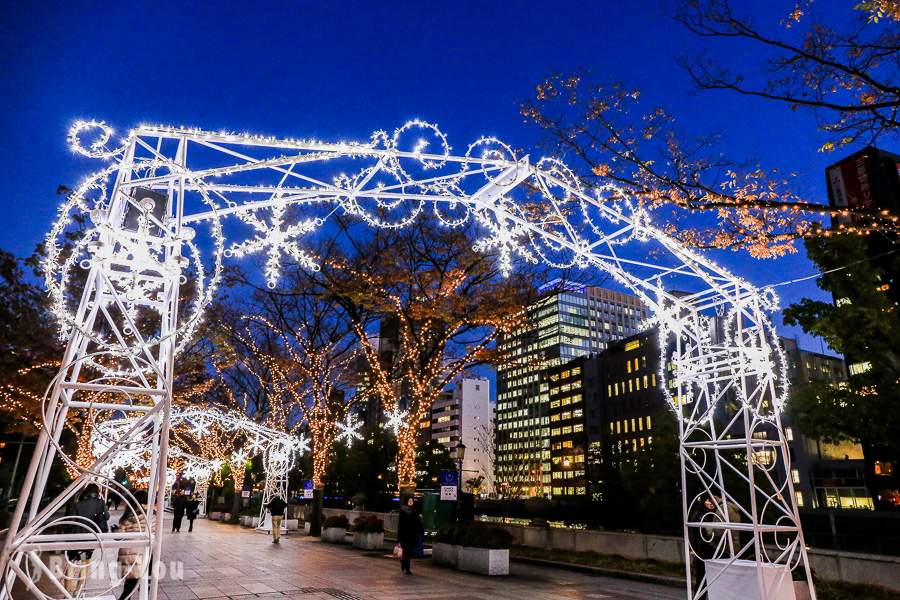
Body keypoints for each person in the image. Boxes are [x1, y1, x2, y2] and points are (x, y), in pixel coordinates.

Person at [64, 483, 110, 595]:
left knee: (72, 563)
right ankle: (77, 591)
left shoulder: (77, 503)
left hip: (75, 539)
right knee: (85, 563)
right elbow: (107, 517)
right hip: (90, 539)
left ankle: (66, 591)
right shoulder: (99, 502)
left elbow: (70, 522)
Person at [116, 505, 148, 600]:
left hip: (127, 552)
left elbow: (118, 536)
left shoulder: (128, 516)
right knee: (134, 584)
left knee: (129, 583)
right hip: (141, 552)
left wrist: (115, 530)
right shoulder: (151, 516)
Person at [397, 496, 423, 575]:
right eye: (409, 501)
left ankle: (403, 560)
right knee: (407, 550)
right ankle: (407, 568)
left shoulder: (414, 511)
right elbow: (400, 524)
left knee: (412, 549)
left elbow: (418, 522)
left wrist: (420, 530)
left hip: (413, 533)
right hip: (405, 533)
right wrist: (399, 535)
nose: (411, 503)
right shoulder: (403, 511)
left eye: (412, 501)